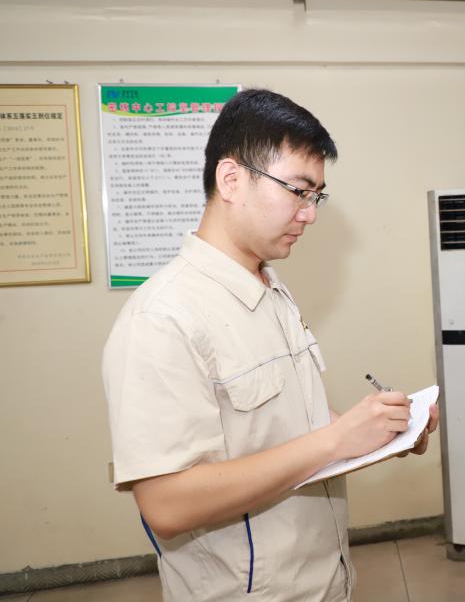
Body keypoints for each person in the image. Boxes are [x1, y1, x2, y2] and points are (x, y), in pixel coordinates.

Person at [102, 88, 439, 601]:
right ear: (231, 179)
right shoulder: (162, 319)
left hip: (324, 582)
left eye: (316, 196)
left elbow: (296, 426)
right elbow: (167, 504)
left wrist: (383, 433)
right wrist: (337, 440)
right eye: (298, 191)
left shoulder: (270, 289)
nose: (310, 214)